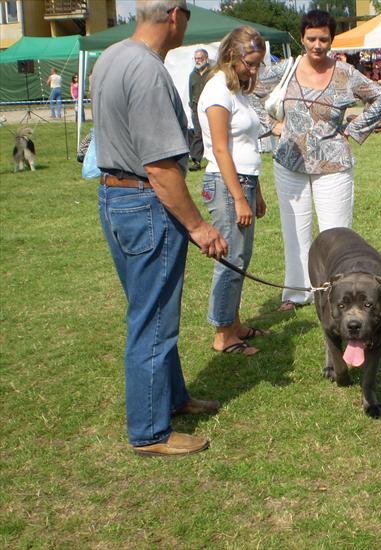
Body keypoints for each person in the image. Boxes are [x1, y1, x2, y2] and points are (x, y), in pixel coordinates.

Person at [92, 0, 228, 458]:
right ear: (174, 15)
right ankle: (150, 432)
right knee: (152, 320)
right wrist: (198, 226)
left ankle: (172, 398)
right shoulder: (149, 71)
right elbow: (161, 168)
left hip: (116, 198)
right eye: (187, 13)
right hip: (146, 204)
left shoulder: (111, 57)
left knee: (149, 308)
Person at [254, 10, 381, 312]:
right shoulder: (285, 68)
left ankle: (337, 293)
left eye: (324, 39)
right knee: (294, 231)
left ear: (331, 40)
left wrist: (353, 129)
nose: (317, 45)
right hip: (290, 163)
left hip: (334, 167)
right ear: (302, 38)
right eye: (312, 38)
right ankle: (296, 292)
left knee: (336, 235)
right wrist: (271, 126)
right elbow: (250, 94)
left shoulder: (346, 73)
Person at [198, 27, 268, 356]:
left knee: (242, 258)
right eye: (249, 63)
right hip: (226, 184)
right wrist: (239, 196)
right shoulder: (217, 91)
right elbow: (222, 150)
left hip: (243, 182)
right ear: (231, 56)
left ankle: (234, 323)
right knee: (231, 259)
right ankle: (223, 334)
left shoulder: (237, 91)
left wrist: (256, 191)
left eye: (258, 65)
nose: (253, 70)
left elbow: (247, 145)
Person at [188, 48, 212, 171]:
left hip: (211, 105)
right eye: (196, 58)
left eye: (200, 58)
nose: (197, 61)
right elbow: (190, 92)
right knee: (198, 134)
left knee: (213, 132)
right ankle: (196, 161)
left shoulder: (212, 72)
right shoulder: (192, 75)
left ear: (206, 58)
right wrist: (192, 106)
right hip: (197, 107)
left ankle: (214, 159)